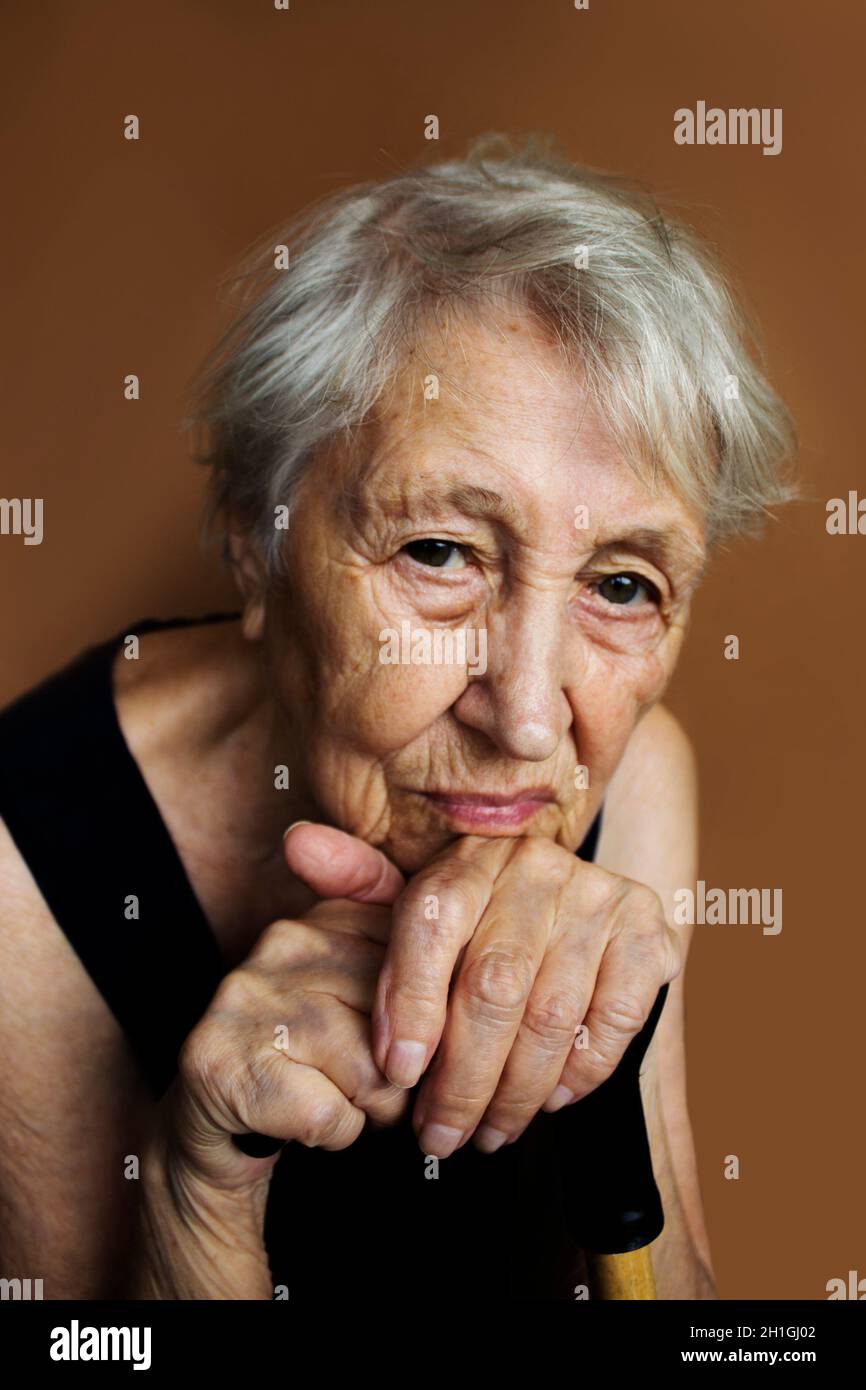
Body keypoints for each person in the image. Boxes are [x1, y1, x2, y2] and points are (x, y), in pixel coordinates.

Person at [0, 134, 796, 1300]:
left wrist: (602, 1075)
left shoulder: (628, 770)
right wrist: (196, 1197)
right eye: (438, 551)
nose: (528, 719)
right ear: (253, 545)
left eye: (622, 583)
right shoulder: (19, 893)